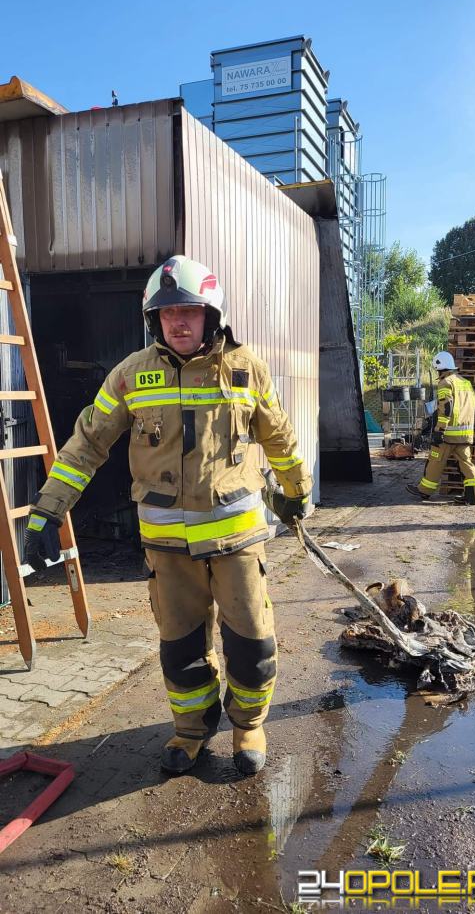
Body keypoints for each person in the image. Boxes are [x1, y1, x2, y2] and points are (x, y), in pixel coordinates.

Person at [23, 256, 313, 776]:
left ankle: (248, 726)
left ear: (211, 315)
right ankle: (190, 732)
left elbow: (280, 436)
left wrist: (297, 492)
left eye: (190, 311)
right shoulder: (131, 374)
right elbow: (86, 445)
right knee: (180, 651)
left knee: (252, 645)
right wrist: (47, 511)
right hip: (166, 549)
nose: (178, 321)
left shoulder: (246, 369)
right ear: (152, 320)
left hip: (238, 542)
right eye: (167, 313)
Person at [406, 351, 475, 504]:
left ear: (440, 367)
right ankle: (473, 496)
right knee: (466, 464)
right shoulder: (465, 383)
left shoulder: (446, 383)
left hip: (448, 434)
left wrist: (440, 431)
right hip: (464, 434)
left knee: (435, 460)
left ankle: (424, 490)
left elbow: (446, 407)